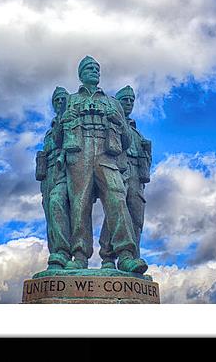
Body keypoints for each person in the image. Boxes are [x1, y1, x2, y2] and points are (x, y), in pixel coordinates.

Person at [60, 56, 148, 274]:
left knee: (117, 198)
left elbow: (126, 140)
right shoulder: (70, 101)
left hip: (106, 154)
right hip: (79, 154)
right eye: (89, 68)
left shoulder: (112, 102)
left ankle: (125, 255)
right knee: (80, 204)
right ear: (81, 74)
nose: (94, 71)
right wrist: (66, 121)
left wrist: (117, 121)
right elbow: (58, 138)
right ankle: (79, 256)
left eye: (97, 68)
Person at [98, 85, 152, 270]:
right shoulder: (111, 124)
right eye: (125, 100)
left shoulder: (137, 133)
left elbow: (144, 157)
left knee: (136, 217)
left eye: (131, 100)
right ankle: (108, 257)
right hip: (119, 170)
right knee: (115, 212)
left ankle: (132, 258)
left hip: (137, 175)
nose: (129, 103)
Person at [35, 87, 72, 270]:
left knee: (58, 204)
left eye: (63, 99)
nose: (60, 103)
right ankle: (57, 255)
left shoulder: (71, 121)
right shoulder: (50, 130)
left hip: (67, 171)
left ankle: (64, 251)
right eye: (57, 100)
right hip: (48, 174)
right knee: (51, 215)